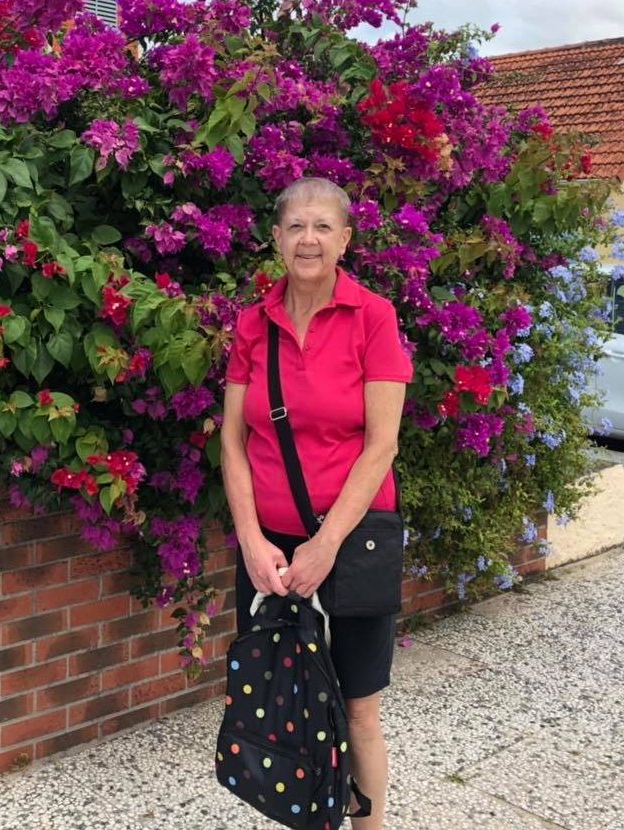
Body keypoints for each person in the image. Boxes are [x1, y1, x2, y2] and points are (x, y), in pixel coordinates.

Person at [220, 177, 412, 830]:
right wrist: (250, 541)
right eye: (296, 226)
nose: (309, 238)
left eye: (324, 227)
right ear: (276, 238)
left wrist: (324, 546)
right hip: (269, 553)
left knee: (358, 710)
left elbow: (381, 446)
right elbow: (233, 439)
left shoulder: (373, 318)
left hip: (351, 550)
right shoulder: (253, 323)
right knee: (282, 704)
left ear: (345, 241)